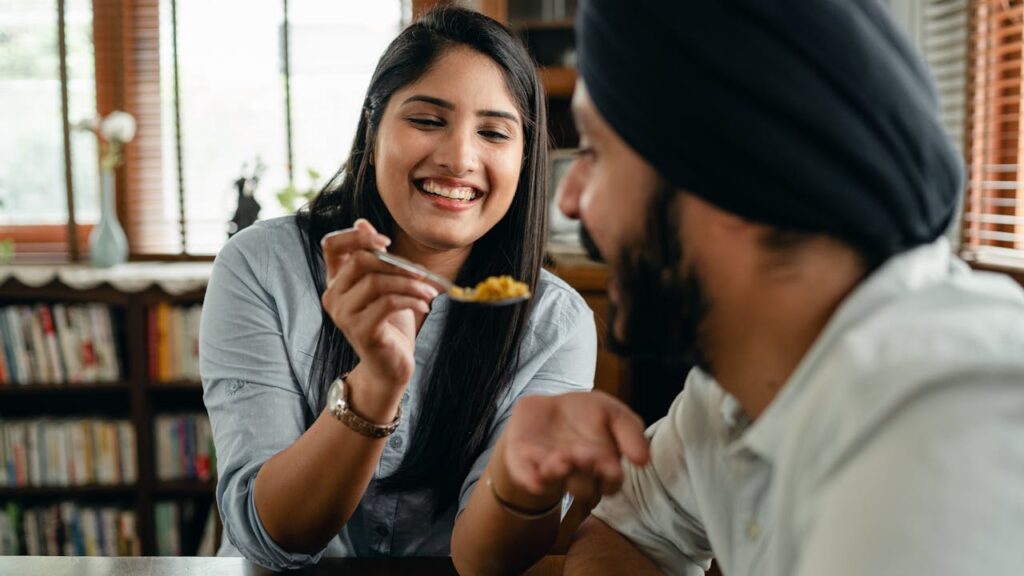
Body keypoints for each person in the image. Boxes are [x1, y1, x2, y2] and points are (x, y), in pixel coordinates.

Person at [466, 1, 1024, 575]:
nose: (568, 199)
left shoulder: (948, 438)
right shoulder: (733, 392)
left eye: (594, 152)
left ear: (727, 173)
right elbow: (621, 534)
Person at [199, 7, 597, 570]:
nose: (460, 158)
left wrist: (528, 478)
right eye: (428, 120)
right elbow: (273, 537)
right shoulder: (262, 267)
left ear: (525, 155)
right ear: (374, 125)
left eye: (493, 132)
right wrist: (376, 383)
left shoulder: (556, 323)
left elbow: (486, 564)